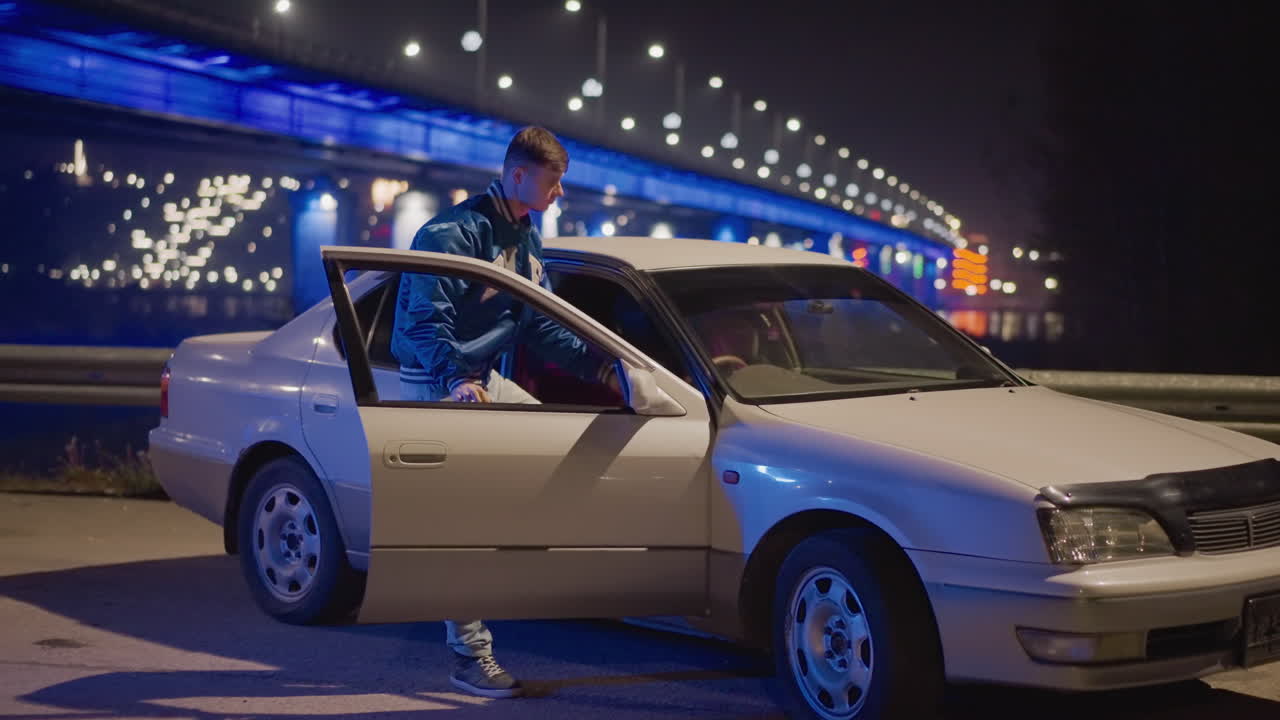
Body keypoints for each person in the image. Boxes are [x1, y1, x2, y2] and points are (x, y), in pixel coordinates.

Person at [390, 126, 617, 698]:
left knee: (555, 450)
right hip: (435, 383)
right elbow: (424, 321)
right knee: (458, 526)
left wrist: (600, 368)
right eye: (553, 180)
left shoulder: (524, 235)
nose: (560, 192)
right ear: (518, 175)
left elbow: (535, 321)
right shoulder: (450, 234)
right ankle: (469, 656)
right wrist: (456, 382)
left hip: (481, 376)